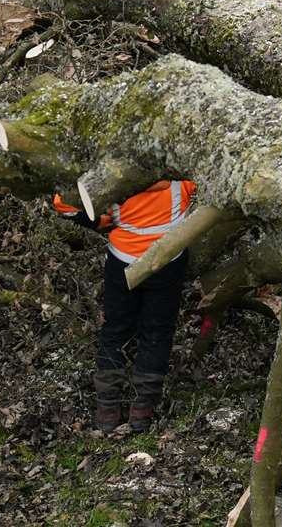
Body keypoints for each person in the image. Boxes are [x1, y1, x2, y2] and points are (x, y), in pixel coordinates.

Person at [52, 180, 198, 434]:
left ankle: (107, 408)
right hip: (167, 262)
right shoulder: (180, 178)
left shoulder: (115, 178)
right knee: (157, 331)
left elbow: (63, 203)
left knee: (115, 330)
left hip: (123, 261)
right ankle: (143, 407)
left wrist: (98, 221)